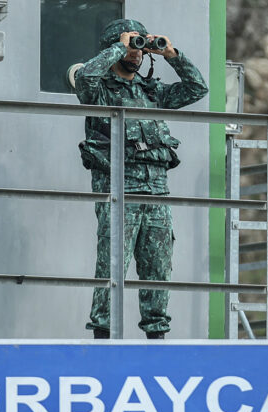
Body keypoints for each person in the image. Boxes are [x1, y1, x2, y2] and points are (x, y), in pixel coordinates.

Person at [74, 18, 208, 339]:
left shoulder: (152, 91)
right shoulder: (99, 90)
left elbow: (197, 88)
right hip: (119, 190)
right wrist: (118, 48)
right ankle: (103, 339)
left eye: (140, 47)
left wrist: (172, 54)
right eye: (132, 46)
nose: (136, 52)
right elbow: (85, 77)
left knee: (158, 269)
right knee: (112, 266)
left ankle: (157, 339)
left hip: (157, 192)